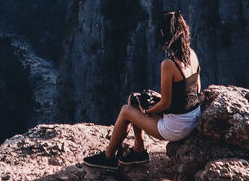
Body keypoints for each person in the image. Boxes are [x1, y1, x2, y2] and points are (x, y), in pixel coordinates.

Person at [84, 10, 202, 169]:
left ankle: (109, 157)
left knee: (127, 110)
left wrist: (147, 110)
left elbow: (166, 104)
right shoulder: (192, 55)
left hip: (176, 128)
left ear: (163, 33)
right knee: (135, 99)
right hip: (193, 117)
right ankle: (138, 151)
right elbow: (196, 89)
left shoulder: (169, 65)